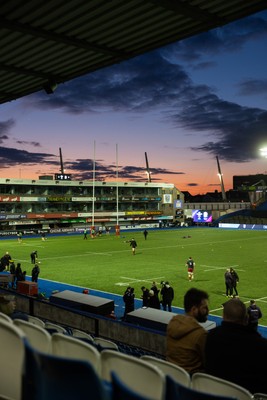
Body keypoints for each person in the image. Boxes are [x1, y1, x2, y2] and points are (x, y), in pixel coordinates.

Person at [205, 298, 267, 394]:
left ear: (223, 316)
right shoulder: (260, 345)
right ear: (246, 319)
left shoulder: (211, 336)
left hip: (213, 391)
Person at [166, 288, 209, 375]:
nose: (208, 311)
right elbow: (207, 363)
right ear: (194, 310)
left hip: (171, 376)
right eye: (204, 307)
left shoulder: (172, 323)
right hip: (192, 381)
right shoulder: (200, 334)